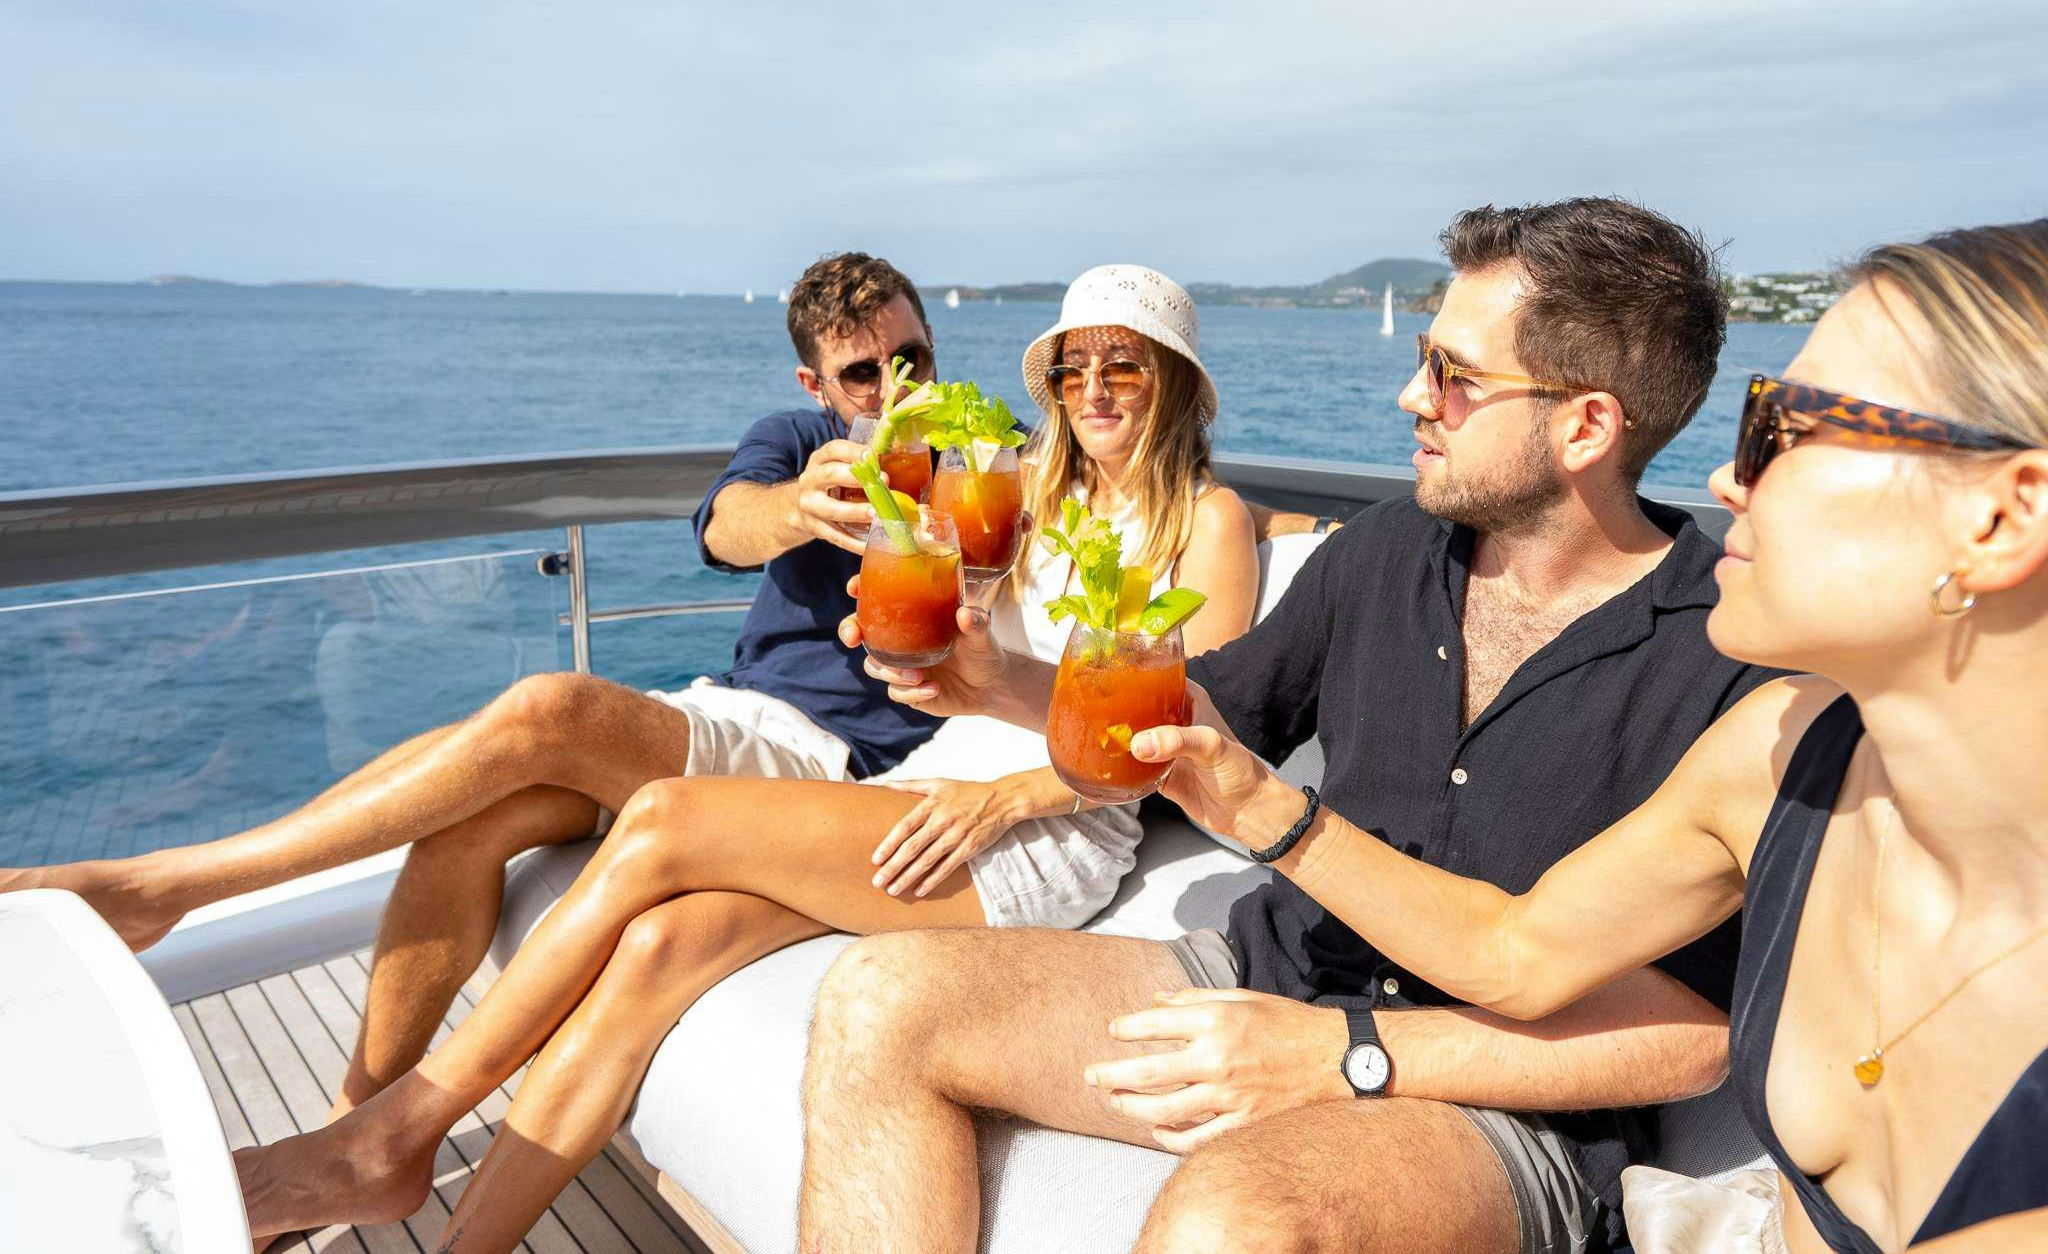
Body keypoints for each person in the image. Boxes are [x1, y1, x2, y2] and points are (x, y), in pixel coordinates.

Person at [810, 198, 1783, 1254]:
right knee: (878, 997)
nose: (1412, 394)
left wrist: (1343, 1052)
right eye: (1424, 357)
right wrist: (995, 683)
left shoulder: (1720, 657)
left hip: (1497, 1096)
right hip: (1266, 972)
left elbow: (1691, 1038)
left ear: (1584, 425)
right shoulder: (1383, 550)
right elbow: (1199, 713)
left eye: (1454, 377)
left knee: (1235, 1218)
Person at [229, 265, 1260, 1250]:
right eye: (1072, 368)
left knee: (665, 821)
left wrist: (1002, 799)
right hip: (933, 775)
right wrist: (909, 625)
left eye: (1121, 365)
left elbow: (1179, 733)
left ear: (1169, 378)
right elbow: (907, 570)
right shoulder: (1026, 482)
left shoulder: (1207, 523)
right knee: (655, 949)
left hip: (1042, 822)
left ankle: (388, 1137)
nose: (1093, 390)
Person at [1125, 221, 2048, 1253]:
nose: (1728, 482)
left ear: (2000, 519)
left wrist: (1348, 1053)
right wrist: (1256, 807)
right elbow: (1513, 950)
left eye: (1785, 428)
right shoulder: (1781, 754)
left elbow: (1673, 1032)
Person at [0, 251, 953, 1118]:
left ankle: (166, 883)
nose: (893, 388)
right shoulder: (800, 440)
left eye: (910, 359)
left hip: (833, 760)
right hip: (732, 713)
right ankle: (358, 1118)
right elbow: (725, 529)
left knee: (553, 706)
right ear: (816, 384)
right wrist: (798, 503)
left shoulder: (984, 461)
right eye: (863, 372)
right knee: (472, 822)